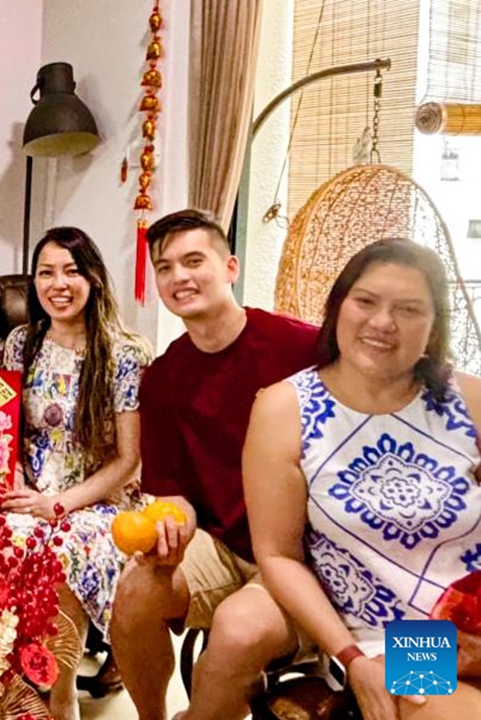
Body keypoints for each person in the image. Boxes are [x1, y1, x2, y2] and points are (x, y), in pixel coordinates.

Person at [245, 239, 481, 719]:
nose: (383, 322)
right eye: (366, 301)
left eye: (409, 309)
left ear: (434, 326)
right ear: (338, 307)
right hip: (395, 644)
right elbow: (277, 555)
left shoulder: (469, 399)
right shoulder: (286, 408)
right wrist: (351, 658)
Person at [108, 209, 319, 720]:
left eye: (193, 261)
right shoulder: (164, 377)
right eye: (165, 267)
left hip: (312, 557)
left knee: (239, 630)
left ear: (230, 267)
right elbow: (172, 491)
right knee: (135, 592)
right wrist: (172, 528)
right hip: (225, 545)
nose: (179, 276)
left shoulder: (304, 349)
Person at [0, 227, 152, 720]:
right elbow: (3, 429)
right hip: (29, 490)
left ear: (93, 278)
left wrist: (58, 505)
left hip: (99, 500)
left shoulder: (124, 353)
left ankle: (60, 698)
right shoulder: (21, 343)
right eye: (46, 273)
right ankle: (6, 681)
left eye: (71, 271)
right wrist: (16, 477)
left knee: (59, 554)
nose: (58, 284)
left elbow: (129, 461)